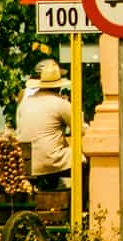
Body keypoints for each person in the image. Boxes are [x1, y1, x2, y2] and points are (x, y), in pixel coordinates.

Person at [16, 60, 78, 191]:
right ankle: (81, 204)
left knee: (54, 153)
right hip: (51, 162)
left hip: (27, 162)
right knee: (82, 161)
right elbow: (81, 129)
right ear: (59, 86)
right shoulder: (60, 104)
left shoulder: (25, 103)